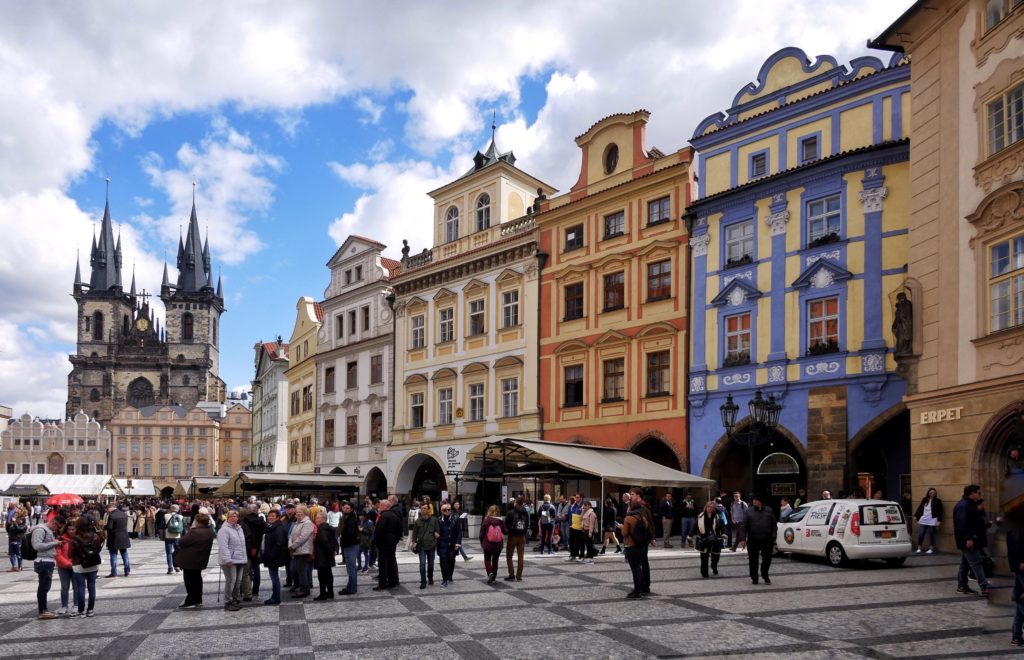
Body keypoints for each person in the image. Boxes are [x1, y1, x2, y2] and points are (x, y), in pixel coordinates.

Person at [954, 484, 991, 597]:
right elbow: (962, 524)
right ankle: (984, 586)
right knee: (976, 563)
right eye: (978, 493)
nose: (980, 495)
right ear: (972, 493)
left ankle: (962, 585)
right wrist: (968, 539)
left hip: (973, 539)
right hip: (969, 540)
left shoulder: (970, 505)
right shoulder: (964, 506)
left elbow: (974, 522)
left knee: (965, 564)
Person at [176, 512, 214, 609]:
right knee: (197, 580)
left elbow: (181, 542)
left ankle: (191, 601)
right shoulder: (209, 531)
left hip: (190, 560)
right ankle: (198, 599)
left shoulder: (195, 532)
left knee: (189, 581)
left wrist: (191, 529)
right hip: (200, 559)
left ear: (198, 522)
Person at [32, 514, 65, 619]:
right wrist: (53, 543)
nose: (57, 529)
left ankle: (44, 609)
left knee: (46, 586)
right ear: (54, 523)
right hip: (43, 561)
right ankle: (42, 611)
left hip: (48, 561)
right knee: (43, 587)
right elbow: (37, 545)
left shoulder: (48, 530)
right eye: (58, 527)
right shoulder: (41, 530)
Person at [69, 516, 102, 617]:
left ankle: (81, 610)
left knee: (80, 588)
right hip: (93, 564)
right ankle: (90, 610)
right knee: (91, 587)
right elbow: (98, 549)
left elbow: (70, 554)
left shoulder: (74, 538)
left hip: (79, 565)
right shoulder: (95, 536)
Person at [621, 498, 651, 599]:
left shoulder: (629, 518)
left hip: (631, 545)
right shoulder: (642, 517)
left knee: (635, 569)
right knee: (638, 567)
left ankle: (637, 591)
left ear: (631, 507)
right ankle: (641, 588)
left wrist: (622, 527)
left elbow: (624, 533)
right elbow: (647, 529)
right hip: (641, 545)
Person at [219, 509, 247, 611]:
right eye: (232, 516)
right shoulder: (224, 530)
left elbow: (242, 545)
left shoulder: (239, 528)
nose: (234, 518)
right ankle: (227, 602)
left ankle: (235, 600)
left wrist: (244, 558)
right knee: (231, 581)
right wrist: (227, 559)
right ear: (227, 517)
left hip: (239, 559)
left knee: (238, 581)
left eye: (235, 516)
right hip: (229, 560)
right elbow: (223, 546)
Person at [746, 494, 777, 585]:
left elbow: (774, 525)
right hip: (753, 540)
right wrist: (743, 539)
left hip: (767, 540)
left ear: (761, 501)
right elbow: (744, 525)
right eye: (753, 500)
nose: (754, 501)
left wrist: (773, 536)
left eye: (756, 499)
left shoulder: (769, 510)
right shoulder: (749, 511)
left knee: (767, 559)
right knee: (753, 560)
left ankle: (765, 574)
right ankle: (754, 577)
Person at [240, 503, 267, 601]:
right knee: (256, 568)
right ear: (256, 510)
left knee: (247, 570)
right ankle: (256, 589)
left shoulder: (245, 521)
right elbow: (266, 531)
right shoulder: (261, 521)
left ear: (248, 510)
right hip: (258, 547)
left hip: (247, 547)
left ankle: (247, 590)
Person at [261, 509, 288, 605]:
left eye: (272, 516)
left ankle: (276, 597)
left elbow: (279, 543)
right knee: (274, 576)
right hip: (271, 556)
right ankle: (275, 596)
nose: (270, 517)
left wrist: (271, 555)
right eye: (269, 516)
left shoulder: (278, 528)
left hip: (274, 557)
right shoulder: (272, 526)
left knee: (274, 577)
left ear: (277, 517)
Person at [373, 500, 402, 591]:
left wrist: (376, 541)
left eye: (381, 506)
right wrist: (396, 540)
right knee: (391, 562)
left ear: (386, 507)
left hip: (383, 543)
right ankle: (392, 582)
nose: (379, 507)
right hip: (392, 543)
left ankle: (382, 584)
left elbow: (379, 530)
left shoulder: (384, 516)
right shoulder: (395, 516)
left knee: (382, 564)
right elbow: (400, 530)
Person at [288, 505, 314, 599]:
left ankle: (303, 590)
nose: (298, 514)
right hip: (296, 549)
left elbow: (303, 537)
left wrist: (293, 546)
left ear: (305, 513)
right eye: (297, 512)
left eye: (300, 512)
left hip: (303, 550)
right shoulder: (297, 522)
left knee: (301, 570)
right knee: (299, 570)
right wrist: (290, 545)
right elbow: (291, 535)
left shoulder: (307, 523)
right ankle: (305, 588)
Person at [411, 502, 440, 589]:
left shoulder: (434, 520)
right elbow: (414, 533)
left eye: (425, 508)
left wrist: (437, 534)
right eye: (422, 508)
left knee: (431, 564)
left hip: (431, 545)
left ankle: (430, 577)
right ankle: (423, 581)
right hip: (422, 546)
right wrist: (414, 542)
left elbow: (438, 530)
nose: (423, 510)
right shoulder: (417, 521)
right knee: (422, 564)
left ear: (428, 509)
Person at [313, 511, 339, 600]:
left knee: (322, 576)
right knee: (328, 575)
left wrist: (328, 553)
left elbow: (325, 542)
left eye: (317, 518)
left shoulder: (322, 530)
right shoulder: (328, 528)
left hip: (322, 557)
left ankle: (323, 593)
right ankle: (330, 593)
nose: (316, 520)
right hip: (326, 556)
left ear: (323, 519)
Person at [55, 517, 78, 617]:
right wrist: (67, 564)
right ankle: (64, 606)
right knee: (64, 587)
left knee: (76, 587)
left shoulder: (78, 539)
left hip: (76, 567)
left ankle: (76, 605)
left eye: (73, 529)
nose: (71, 531)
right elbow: (57, 554)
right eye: (69, 529)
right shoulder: (61, 540)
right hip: (63, 567)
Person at [695, 501, 724, 578]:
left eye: (711, 507)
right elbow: (695, 525)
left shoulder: (717, 516)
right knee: (704, 557)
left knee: (716, 557)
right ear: (706, 507)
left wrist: (724, 533)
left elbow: (723, 526)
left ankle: (714, 566)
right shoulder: (701, 516)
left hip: (715, 539)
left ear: (713, 508)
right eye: (708, 507)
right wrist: (690, 535)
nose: (709, 508)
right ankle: (704, 573)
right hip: (704, 539)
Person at [479, 505, 507, 584]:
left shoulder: (486, 520)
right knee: (495, 560)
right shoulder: (500, 521)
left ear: (489, 511)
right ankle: (494, 577)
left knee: (487, 559)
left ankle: (489, 573)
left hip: (488, 544)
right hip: (498, 544)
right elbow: (505, 531)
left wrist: (482, 542)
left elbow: (481, 534)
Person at [337, 501, 360, 596]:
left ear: (351, 509)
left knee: (351, 568)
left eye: (347, 508)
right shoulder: (345, 518)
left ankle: (352, 588)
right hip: (348, 545)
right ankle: (351, 586)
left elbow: (350, 533)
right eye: (344, 508)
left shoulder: (351, 519)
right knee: (351, 568)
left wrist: (343, 537)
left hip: (350, 545)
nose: (345, 509)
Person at [505, 496, 530, 580]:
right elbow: (527, 523)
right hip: (522, 536)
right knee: (520, 556)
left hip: (512, 536)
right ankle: (519, 576)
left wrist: (508, 532)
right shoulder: (525, 512)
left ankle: (511, 575)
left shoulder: (511, 512)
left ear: (515, 502)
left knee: (509, 556)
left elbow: (506, 524)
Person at [437, 502, 462, 587]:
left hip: (452, 544)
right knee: (443, 561)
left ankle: (449, 576)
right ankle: (445, 579)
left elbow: (459, 531)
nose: (447, 511)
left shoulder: (455, 518)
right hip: (442, 544)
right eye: (445, 510)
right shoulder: (439, 519)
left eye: (448, 510)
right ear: (441, 511)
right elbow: (435, 530)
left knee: (451, 561)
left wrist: (458, 543)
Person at [104, 504, 131, 577]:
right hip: (124, 537)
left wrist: (104, 526)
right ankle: (127, 570)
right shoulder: (124, 514)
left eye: (107, 509)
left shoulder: (112, 515)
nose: (106, 511)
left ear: (110, 508)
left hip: (114, 538)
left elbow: (109, 527)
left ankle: (114, 572)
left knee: (113, 555)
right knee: (125, 554)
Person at [1007, 528, 1024, 646]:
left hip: (1019, 565)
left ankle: (1016, 636)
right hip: (1021, 566)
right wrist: (1021, 562)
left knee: (1020, 599)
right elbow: (1017, 545)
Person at [914, 488, 943, 554]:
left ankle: (931, 548)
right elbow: (920, 508)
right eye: (931, 492)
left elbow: (940, 511)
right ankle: (919, 547)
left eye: (933, 492)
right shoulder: (925, 499)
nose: (932, 494)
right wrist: (916, 515)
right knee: (921, 533)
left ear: (935, 493)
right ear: (928, 493)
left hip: (932, 519)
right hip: (924, 519)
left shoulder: (938, 501)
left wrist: (939, 521)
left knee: (932, 534)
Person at [163, 504, 184, 575]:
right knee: (177, 552)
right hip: (177, 536)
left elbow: (162, 526)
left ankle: (170, 568)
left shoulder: (166, 515)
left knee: (168, 553)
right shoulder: (181, 517)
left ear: (171, 509)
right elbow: (183, 528)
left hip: (168, 536)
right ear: (178, 510)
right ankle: (177, 566)